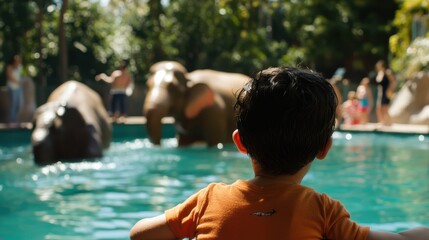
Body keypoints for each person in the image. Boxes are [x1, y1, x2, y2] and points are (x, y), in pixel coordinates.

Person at [130, 67, 429, 239]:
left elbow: (138, 235)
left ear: (240, 142)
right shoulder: (322, 211)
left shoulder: (207, 201)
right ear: (325, 148)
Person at [375, 60, 396, 125]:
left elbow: (393, 82)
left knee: (385, 109)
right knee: (379, 108)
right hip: (381, 93)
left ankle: (389, 122)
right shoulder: (380, 74)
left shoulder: (387, 72)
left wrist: (390, 90)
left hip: (386, 93)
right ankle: (382, 122)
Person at [5, 54, 23, 125]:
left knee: (18, 105)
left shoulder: (20, 67)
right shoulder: (9, 67)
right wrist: (18, 81)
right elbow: (10, 77)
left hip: (18, 88)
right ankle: (12, 121)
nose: (18, 61)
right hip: (11, 88)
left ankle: (15, 120)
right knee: (12, 105)